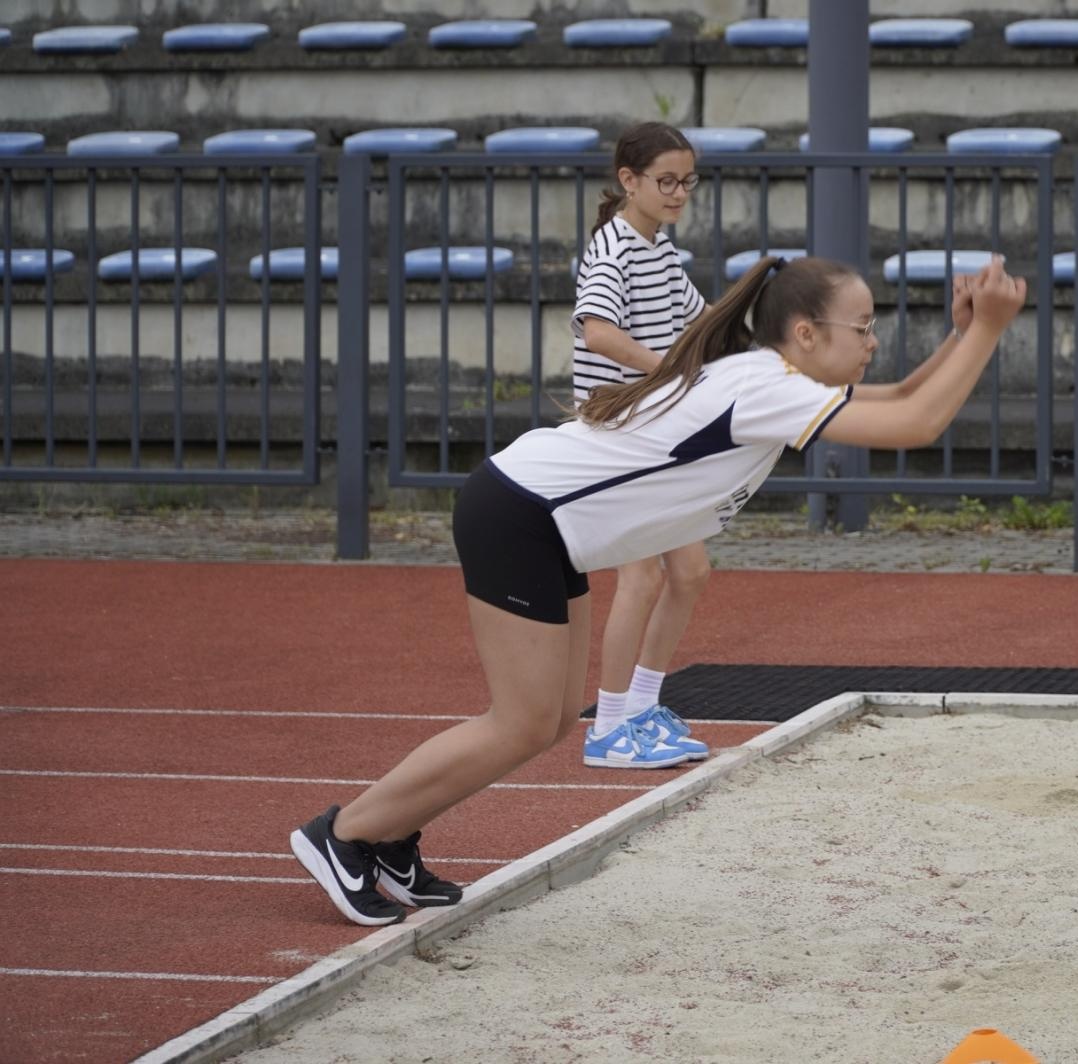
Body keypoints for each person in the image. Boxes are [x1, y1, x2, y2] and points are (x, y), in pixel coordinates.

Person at [290, 254, 1026, 925]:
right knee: (520, 721)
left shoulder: (775, 378)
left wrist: (963, 338)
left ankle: (387, 839)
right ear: (805, 332)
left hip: (543, 518)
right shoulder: (764, 387)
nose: (871, 342)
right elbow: (916, 423)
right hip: (522, 512)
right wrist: (989, 332)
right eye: (862, 328)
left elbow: (897, 394)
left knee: (547, 723)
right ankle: (345, 832)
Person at [573, 121, 711, 771]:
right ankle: (606, 730)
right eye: (667, 181)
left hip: (657, 432)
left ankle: (640, 711)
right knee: (643, 574)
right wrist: (665, 367)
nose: (680, 192)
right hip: (619, 435)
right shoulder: (613, 249)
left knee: (689, 572)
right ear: (629, 181)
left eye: (687, 181)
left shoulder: (660, 248)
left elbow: (701, 321)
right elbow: (599, 332)